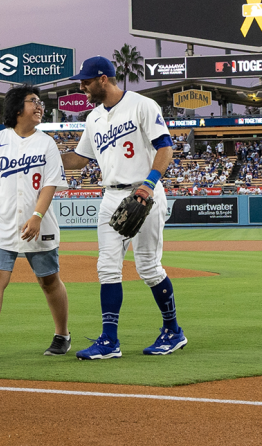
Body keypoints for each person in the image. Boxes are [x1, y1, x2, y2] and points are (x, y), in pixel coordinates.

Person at [62, 56, 186, 359]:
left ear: (103, 79)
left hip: (144, 195)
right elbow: (79, 160)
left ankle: (173, 330)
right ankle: (109, 340)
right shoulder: (92, 118)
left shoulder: (142, 105)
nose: (82, 87)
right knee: (106, 267)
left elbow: (165, 148)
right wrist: (46, 153)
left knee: (148, 267)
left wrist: (150, 182)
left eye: (86, 81)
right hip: (110, 196)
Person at [0, 84, 70, 363]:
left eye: (40, 101)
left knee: (48, 280)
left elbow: (50, 185)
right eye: (33, 101)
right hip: (1, 223)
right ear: (18, 109)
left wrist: (37, 216)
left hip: (37, 224)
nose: (39, 105)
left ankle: (62, 335)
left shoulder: (47, 143)